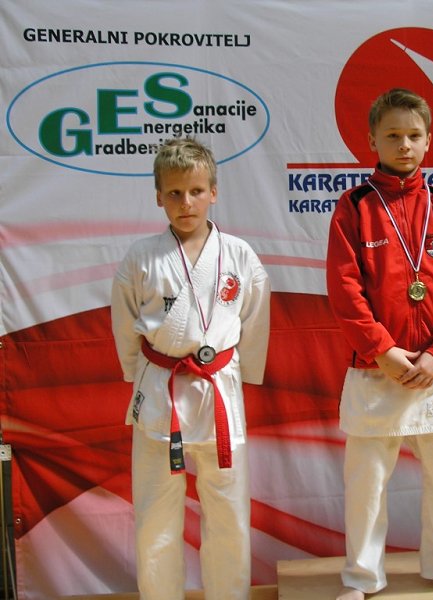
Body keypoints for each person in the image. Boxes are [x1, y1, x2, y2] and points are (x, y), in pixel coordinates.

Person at [325, 88, 433, 600]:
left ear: (429, 140)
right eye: (392, 135)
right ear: (371, 139)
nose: (404, 144)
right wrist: (383, 350)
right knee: (367, 483)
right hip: (378, 369)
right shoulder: (354, 207)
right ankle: (362, 577)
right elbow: (344, 289)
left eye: (414, 135)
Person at [111, 137, 271, 599]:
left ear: (213, 192)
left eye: (197, 191)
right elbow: (124, 327)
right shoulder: (141, 257)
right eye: (175, 193)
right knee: (155, 517)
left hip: (218, 392)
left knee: (229, 513)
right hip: (162, 394)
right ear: (158, 197)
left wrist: (244, 375)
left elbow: (255, 322)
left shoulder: (239, 255)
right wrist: (139, 379)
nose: (186, 202)